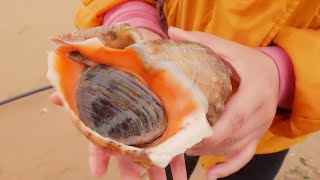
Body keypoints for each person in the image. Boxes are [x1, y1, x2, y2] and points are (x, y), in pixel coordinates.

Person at [50, 0, 320, 179]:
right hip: (166, 102)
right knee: (174, 161)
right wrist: (133, 20)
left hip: (268, 128)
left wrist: (285, 73)